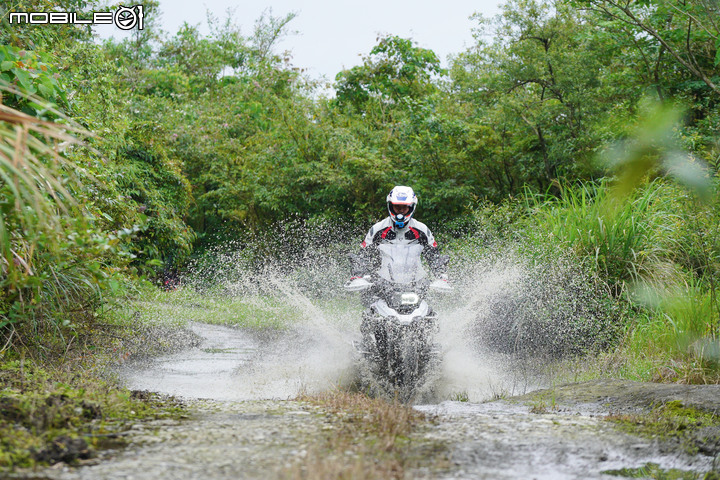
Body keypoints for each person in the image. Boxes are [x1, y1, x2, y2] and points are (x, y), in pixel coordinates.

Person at [348, 185, 448, 293]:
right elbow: (364, 255)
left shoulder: (422, 230)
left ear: (411, 207)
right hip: (382, 285)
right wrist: (358, 275)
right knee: (370, 305)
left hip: (417, 286)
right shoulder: (377, 229)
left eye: (404, 208)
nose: (400, 212)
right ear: (390, 206)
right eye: (397, 207)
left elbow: (434, 257)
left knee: (429, 310)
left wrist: (441, 276)